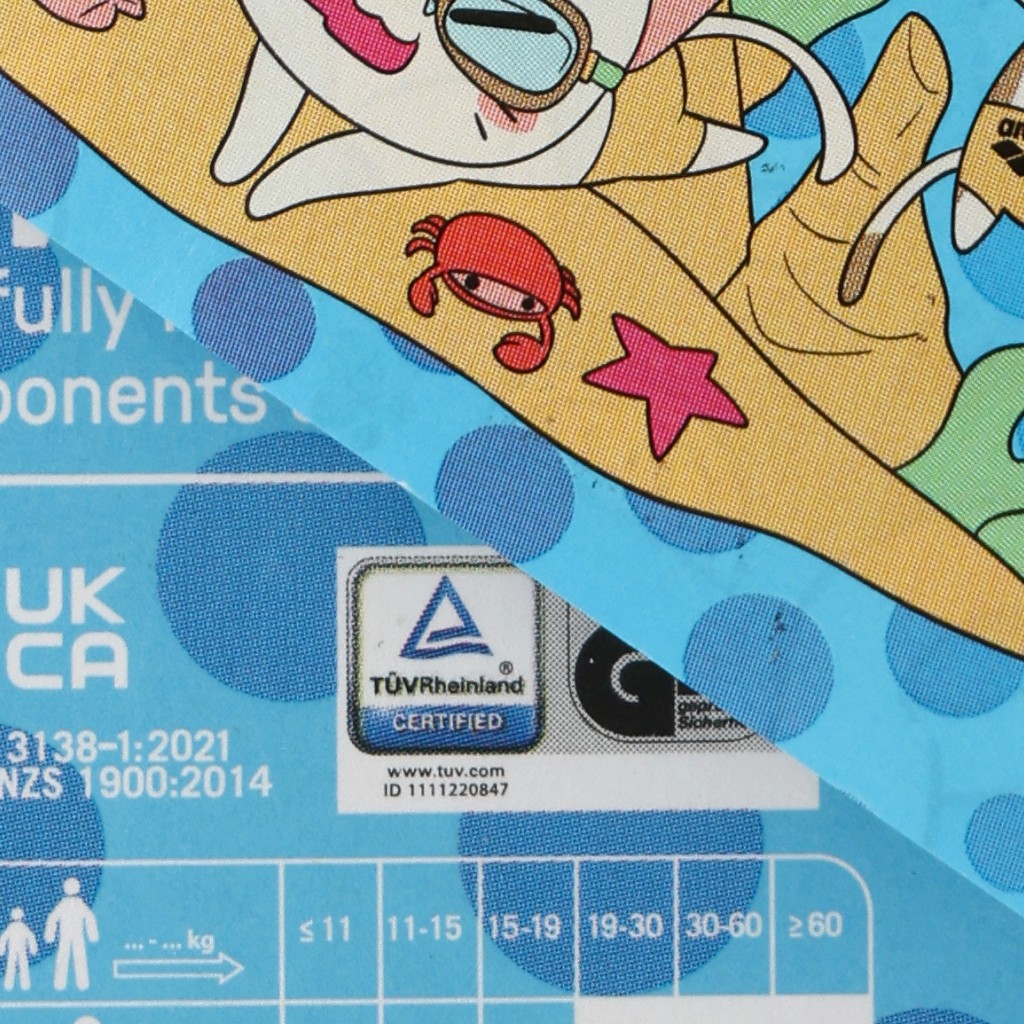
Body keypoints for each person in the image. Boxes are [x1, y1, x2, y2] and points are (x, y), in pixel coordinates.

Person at [44, 878, 99, 992]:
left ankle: (60, 983)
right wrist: (92, 935)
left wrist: (50, 935)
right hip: (75, 934)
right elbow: (89, 918)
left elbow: (52, 919)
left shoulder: (64, 904)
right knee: (78, 956)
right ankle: (82, 983)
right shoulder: (79, 904)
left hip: (67, 934)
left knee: (64, 956)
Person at [0, 906, 38, 991]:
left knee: (11, 965)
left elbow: (3, 938)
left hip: (13, 949)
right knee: (23, 965)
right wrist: (33, 949)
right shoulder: (23, 927)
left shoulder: (11, 927)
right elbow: (31, 937)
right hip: (21, 949)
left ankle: (9, 984)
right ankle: (25, 984)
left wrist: (1, 950)